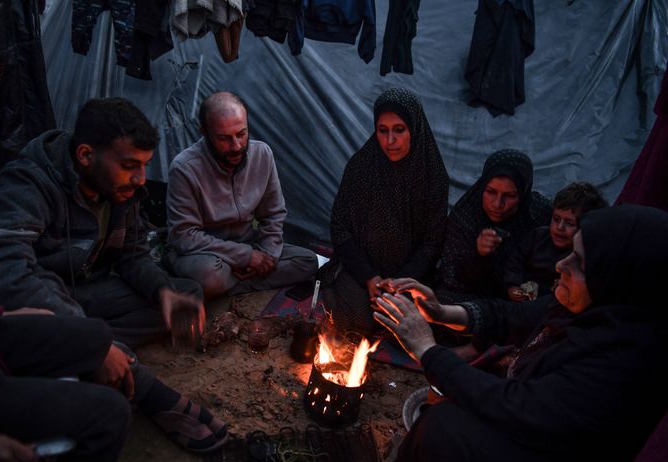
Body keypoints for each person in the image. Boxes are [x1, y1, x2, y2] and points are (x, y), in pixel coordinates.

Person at [0, 97, 228, 453]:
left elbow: (133, 255)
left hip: (85, 294)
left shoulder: (121, 189)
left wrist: (163, 291)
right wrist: (87, 337)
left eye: (145, 165)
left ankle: (90, 349)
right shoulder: (28, 183)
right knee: (75, 332)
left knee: (185, 293)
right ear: (86, 154)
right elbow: (1, 275)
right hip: (30, 306)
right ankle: (145, 388)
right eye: (129, 165)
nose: (141, 178)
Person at [373, 205, 668, 462]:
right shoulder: (583, 306)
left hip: (554, 460)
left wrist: (427, 349)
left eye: (578, 261)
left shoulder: (622, 363)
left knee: (443, 428)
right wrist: (440, 312)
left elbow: (519, 408)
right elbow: (510, 315)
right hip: (531, 423)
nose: (560, 265)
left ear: (617, 278)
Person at [0, 286, 130, 462]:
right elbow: (2, 275)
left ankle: (148, 390)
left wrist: (1, 313)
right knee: (109, 414)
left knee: (98, 335)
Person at [164, 91, 318, 298]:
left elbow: (273, 214)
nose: (236, 146)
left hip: (248, 243)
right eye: (224, 138)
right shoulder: (184, 168)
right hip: (207, 255)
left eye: (241, 134)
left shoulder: (262, 155)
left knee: (307, 262)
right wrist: (245, 257)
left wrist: (266, 256)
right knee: (209, 275)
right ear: (204, 132)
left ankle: (232, 286)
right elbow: (184, 236)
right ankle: (224, 284)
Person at [321, 87, 448, 336]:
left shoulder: (433, 177)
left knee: (405, 322)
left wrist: (397, 285)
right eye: (383, 130)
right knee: (361, 319)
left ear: (415, 128)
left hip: (409, 277)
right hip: (362, 271)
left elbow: (433, 243)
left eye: (399, 130)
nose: (390, 141)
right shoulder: (362, 166)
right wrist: (370, 278)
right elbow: (340, 227)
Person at [437, 149, 552, 302]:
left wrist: (524, 289)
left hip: (525, 300)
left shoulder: (539, 213)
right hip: (476, 297)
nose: (498, 204)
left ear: (523, 195)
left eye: (510, 196)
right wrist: (479, 256)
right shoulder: (466, 215)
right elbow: (452, 278)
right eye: (491, 192)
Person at [504, 181, 607, 301]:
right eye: (556, 219)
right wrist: (512, 287)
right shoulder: (538, 237)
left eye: (570, 223)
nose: (560, 227)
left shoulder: (585, 254)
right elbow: (515, 263)